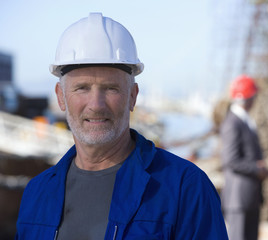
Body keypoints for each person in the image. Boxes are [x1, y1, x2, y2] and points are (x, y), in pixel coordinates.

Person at [15, 13, 228, 240]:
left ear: (133, 97)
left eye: (111, 88)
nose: (96, 105)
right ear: (61, 97)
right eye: (82, 88)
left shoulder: (186, 188)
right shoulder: (36, 193)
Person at [220, 75, 268, 240]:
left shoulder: (243, 121)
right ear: (249, 97)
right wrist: (258, 168)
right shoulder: (233, 123)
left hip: (248, 196)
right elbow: (230, 160)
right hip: (238, 198)